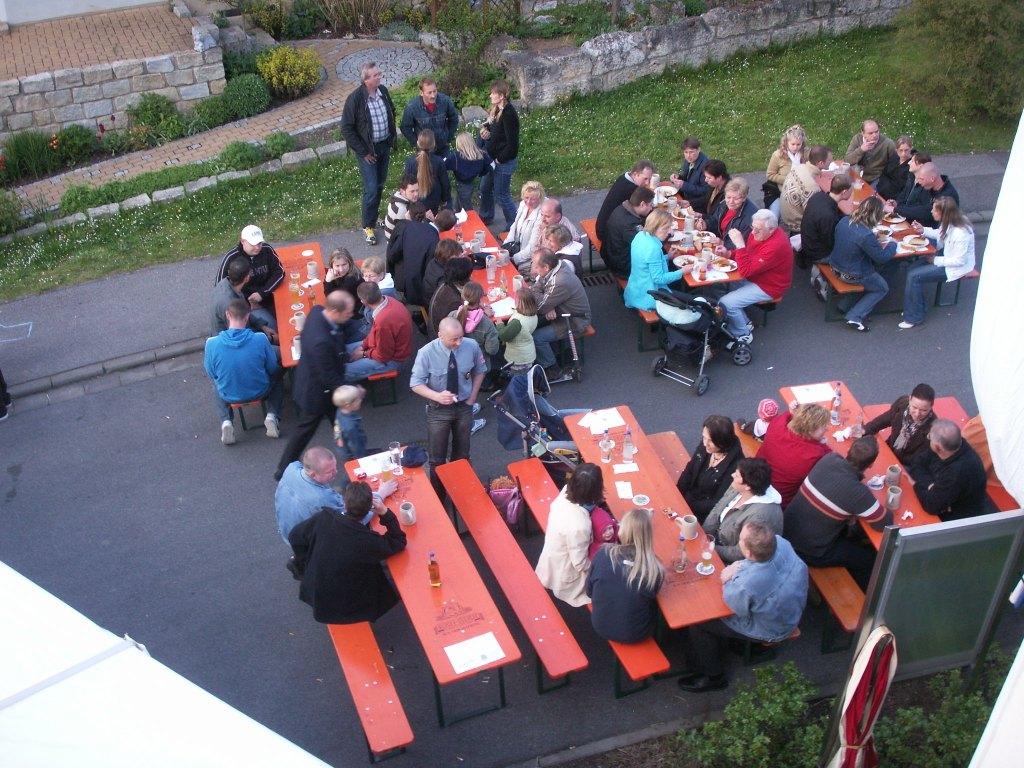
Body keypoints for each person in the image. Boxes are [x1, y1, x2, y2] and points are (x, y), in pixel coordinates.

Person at [677, 521, 807, 693]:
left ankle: (713, 676)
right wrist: (739, 568)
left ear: (748, 552)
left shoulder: (745, 585)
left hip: (772, 628)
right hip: (791, 612)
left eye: (740, 540)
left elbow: (734, 608)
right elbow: (756, 565)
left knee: (701, 621)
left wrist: (728, 578)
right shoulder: (782, 543)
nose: (738, 541)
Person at [288, 482, 407, 624]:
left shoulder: (323, 518)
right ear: (370, 508)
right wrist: (385, 512)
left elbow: (294, 535)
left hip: (314, 591)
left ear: (345, 502)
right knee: (396, 583)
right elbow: (398, 541)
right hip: (344, 608)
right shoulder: (366, 541)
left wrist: (305, 562)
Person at [785, 437, 888, 589]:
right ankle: (862, 595)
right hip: (811, 551)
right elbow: (883, 523)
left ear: (848, 451)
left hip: (787, 531)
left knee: (851, 532)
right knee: (869, 559)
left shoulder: (829, 459)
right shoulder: (859, 493)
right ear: (871, 464)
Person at [274, 291, 354, 480]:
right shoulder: (321, 341)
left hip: (317, 387)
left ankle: (352, 453)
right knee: (305, 431)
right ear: (335, 311)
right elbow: (329, 376)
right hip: (317, 393)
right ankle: (283, 469)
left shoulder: (317, 312)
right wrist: (352, 391)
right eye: (347, 313)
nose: (350, 315)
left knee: (340, 423)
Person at [410, 317, 488, 498]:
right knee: (437, 458)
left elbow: (480, 371)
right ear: (440, 336)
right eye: (454, 339)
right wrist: (437, 396)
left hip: (464, 406)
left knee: (462, 454)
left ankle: (459, 494)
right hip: (438, 410)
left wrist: (472, 398)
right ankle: (439, 497)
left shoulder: (471, 346)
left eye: (461, 337)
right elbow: (415, 383)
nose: (459, 342)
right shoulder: (426, 353)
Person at [203, 298, 283, 445]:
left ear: (228, 315)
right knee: (278, 379)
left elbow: (211, 373)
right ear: (247, 317)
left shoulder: (211, 344)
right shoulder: (260, 339)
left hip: (229, 395)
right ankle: (272, 415)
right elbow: (272, 368)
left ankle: (226, 421)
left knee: (216, 384)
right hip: (260, 391)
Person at [587, 508, 664, 643]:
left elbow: (589, 591)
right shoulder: (654, 569)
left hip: (600, 624)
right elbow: (652, 597)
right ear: (648, 536)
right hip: (636, 633)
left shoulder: (603, 554)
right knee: (658, 607)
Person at [341, 61, 397, 246]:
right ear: (366, 80)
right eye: (375, 75)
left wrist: (390, 138)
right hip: (368, 152)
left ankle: (373, 219)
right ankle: (367, 226)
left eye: (379, 74)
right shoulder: (355, 99)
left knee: (380, 185)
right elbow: (347, 128)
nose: (379, 77)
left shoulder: (383, 92)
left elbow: (391, 111)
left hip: (383, 146)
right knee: (371, 188)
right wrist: (363, 152)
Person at [717, 209, 793, 344]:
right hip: (758, 276)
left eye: (757, 230)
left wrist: (740, 245)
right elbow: (749, 254)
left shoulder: (775, 246)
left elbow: (745, 271)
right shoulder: (761, 234)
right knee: (720, 284)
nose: (753, 232)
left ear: (771, 230)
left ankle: (743, 334)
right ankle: (745, 322)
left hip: (769, 286)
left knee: (726, 303)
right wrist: (729, 254)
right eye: (753, 227)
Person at [900, 197, 976, 329]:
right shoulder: (950, 222)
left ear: (942, 213)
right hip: (946, 257)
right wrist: (923, 230)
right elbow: (940, 234)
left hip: (954, 267)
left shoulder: (960, 233)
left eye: (934, 210)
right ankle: (916, 307)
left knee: (914, 276)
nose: (931, 211)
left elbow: (959, 261)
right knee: (912, 268)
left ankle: (914, 317)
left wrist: (935, 260)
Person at [535, 463, 604, 607]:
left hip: (553, 558)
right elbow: (580, 564)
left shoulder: (566, 491)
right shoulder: (580, 525)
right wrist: (603, 566)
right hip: (565, 573)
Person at [828, 197, 898, 332]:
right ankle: (855, 316)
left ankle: (845, 304)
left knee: (874, 274)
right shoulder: (866, 235)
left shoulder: (844, 220)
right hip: (852, 274)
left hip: (834, 266)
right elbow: (882, 258)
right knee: (882, 288)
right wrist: (892, 244)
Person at [703, 458, 783, 563]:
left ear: (748, 486)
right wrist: (704, 535)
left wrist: (711, 548)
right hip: (714, 542)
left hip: (730, 559)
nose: (732, 475)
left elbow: (742, 553)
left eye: (737, 475)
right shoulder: (738, 486)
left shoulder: (761, 516)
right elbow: (717, 509)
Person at [529, 248, 592, 379]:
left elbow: (541, 306)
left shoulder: (560, 282)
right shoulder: (557, 265)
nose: (534, 269)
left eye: (536, 266)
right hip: (561, 311)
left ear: (546, 267)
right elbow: (538, 286)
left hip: (574, 321)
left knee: (536, 337)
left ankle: (551, 368)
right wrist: (549, 304)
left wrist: (548, 304)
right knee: (532, 325)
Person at [909, 420, 988, 521]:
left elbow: (931, 505)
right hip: (942, 494)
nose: (928, 439)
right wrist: (930, 485)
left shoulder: (957, 473)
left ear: (937, 447)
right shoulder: (953, 445)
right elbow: (917, 463)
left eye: (929, 437)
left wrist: (915, 485)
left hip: (959, 518)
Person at [756, 404, 831, 508]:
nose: (827, 429)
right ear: (810, 431)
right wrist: (823, 444)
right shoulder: (815, 454)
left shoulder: (777, 424)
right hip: (780, 501)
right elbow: (831, 459)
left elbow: (787, 415)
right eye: (823, 427)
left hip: (756, 479)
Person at [677, 415, 744, 523]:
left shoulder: (735, 467)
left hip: (702, 514)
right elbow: (690, 470)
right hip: (688, 498)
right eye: (704, 437)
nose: (705, 444)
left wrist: (687, 505)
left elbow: (717, 502)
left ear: (723, 442)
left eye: (710, 441)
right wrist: (677, 494)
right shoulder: (707, 446)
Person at [215, 225, 283, 329]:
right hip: (247, 307)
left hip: (269, 296)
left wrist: (262, 293)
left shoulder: (267, 250)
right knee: (273, 326)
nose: (257, 247)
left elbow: (279, 272)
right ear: (243, 241)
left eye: (259, 243)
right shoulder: (231, 258)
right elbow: (220, 287)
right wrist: (245, 304)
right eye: (253, 244)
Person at [344, 282, 413, 382]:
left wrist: (363, 354)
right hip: (382, 349)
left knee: (343, 371)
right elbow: (374, 333)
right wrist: (363, 346)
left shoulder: (383, 321)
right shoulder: (388, 300)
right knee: (345, 350)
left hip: (393, 361)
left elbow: (383, 356)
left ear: (363, 302)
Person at [623, 209, 683, 311]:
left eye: (670, 227)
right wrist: (682, 271)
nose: (670, 232)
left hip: (635, 289)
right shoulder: (653, 248)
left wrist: (667, 256)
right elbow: (659, 279)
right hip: (648, 295)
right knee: (684, 299)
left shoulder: (640, 235)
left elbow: (646, 262)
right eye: (666, 228)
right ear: (655, 227)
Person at [864, 383, 937, 465]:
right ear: (910, 399)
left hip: (907, 463)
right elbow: (884, 420)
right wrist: (864, 430)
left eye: (924, 410)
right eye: (914, 407)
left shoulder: (934, 429)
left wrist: (894, 461)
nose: (917, 414)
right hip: (891, 447)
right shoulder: (902, 404)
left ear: (931, 407)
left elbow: (918, 458)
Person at [479, 79, 520, 227]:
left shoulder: (509, 115)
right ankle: (486, 217)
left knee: (502, 195)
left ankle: (514, 226)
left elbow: (512, 145)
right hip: (492, 158)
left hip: (503, 161)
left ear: (501, 96)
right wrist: (485, 131)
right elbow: (493, 128)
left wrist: (499, 160)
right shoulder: (496, 109)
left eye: (493, 93)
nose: (490, 95)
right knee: (485, 188)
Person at [801, 174, 853, 274]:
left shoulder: (819, 196)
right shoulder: (828, 216)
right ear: (844, 192)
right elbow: (831, 243)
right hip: (818, 254)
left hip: (808, 243)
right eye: (851, 190)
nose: (852, 192)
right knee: (855, 252)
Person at [212, 255, 275, 337]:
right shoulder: (229, 303)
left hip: (239, 328)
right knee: (275, 339)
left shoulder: (226, 283)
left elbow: (242, 312)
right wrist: (269, 338)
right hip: (229, 340)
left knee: (270, 326)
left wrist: (262, 326)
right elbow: (238, 335)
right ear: (247, 278)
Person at [596, 159, 655, 244]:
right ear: (635, 174)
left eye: (649, 179)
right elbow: (640, 213)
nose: (647, 183)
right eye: (645, 179)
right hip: (607, 233)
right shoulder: (631, 189)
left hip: (602, 224)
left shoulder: (624, 178)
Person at [888, 162, 960, 229]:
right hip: (921, 228)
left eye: (921, 179)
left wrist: (895, 209)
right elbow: (916, 205)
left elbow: (926, 212)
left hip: (937, 233)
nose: (919, 182)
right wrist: (898, 205)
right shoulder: (928, 186)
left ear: (932, 179)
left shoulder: (948, 195)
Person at [603, 186, 655, 278]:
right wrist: (665, 235)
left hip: (611, 255)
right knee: (661, 260)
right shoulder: (630, 225)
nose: (651, 208)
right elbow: (646, 246)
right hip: (623, 266)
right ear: (642, 204)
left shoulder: (622, 208)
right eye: (651, 205)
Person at [779, 144, 832, 233]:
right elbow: (813, 215)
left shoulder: (799, 167)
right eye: (830, 160)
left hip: (785, 215)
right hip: (796, 225)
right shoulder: (812, 187)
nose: (832, 162)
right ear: (821, 163)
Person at [399, 76, 459, 154]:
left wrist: (448, 137)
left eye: (435, 91)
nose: (433, 95)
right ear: (421, 93)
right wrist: (417, 143)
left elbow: (454, 118)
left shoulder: (445, 101)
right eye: (429, 92)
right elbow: (405, 127)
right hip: (424, 149)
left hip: (443, 146)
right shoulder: (412, 107)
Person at [451, 282, 500, 370]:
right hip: (480, 365)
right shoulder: (487, 324)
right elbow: (492, 350)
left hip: (459, 363)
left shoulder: (452, 316)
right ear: (480, 299)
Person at [402, 129, 450, 215]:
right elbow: (445, 183)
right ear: (433, 144)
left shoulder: (410, 162)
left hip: (416, 200)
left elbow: (407, 182)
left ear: (418, 143)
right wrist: (445, 199)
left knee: (417, 220)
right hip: (434, 200)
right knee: (432, 220)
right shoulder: (439, 161)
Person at [504, 180, 546, 273]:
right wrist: (505, 246)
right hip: (518, 248)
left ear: (540, 199)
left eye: (533, 199)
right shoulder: (523, 204)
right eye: (526, 197)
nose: (528, 202)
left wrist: (513, 259)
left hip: (530, 259)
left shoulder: (542, 214)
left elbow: (533, 247)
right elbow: (514, 226)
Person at [702, 178, 757, 248]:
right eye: (728, 197)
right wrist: (706, 224)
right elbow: (715, 220)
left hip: (732, 251)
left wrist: (723, 243)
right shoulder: (724, 203)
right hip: (718, 243)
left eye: (736, 198)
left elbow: (744, 243)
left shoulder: (751, 217)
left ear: (744, 198)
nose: (731, 202)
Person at [765, 125, 808, 212]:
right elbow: (770, 175)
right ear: (786, 142)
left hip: (803, 190)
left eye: (798, 144)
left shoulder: (806, 153)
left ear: (802, 143)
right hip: (780, 192)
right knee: (774, 215)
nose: (795, 147)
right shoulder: (777, 155)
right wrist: (789, 180)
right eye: (793, 144)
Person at [444, 132, 492, 211]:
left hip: (462, 182)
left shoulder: (456, 156)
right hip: (472, 181)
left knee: (466, 208)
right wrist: (482, 173)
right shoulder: (481, 155)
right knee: (460, 203)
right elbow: (489, 166)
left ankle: (469, 218)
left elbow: (442, 165)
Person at [428, 257, 474, 336]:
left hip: (437, 328)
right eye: (469, 276)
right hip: (446, 337)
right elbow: (464, 324)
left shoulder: (446, 284)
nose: (471, 278)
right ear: (461, 280)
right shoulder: (454, 302)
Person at [496, 288, 539, 372]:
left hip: (518, 358)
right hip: (528, 353)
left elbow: (503, 336)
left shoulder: (517, 322)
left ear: (520, 303)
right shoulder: (533, 314)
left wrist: (500, 324)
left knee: (518, 376)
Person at [844, 119, 898, 185]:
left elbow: (896, 163)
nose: (875, 135)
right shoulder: (857, 139)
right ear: (863, 133)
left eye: (876, 132)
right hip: (858, 175)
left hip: (877, 177)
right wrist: (861, 149)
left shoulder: (887, 143)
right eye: (870, 133)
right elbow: (847, 160)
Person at [421, 238, 463, 313]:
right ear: (449, 258)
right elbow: (451, 296)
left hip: (428, 300)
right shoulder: (443, 279)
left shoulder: (434, 261)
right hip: (438, 310)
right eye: (457, 256)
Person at [670, 137, 711, 212]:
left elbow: (705, 191)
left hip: (696, 205)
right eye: (686, 152)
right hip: (686, 197)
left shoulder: (706, 167)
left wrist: (684, 185)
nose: (688, 155)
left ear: (698, 150)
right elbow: (688, 178)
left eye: (691, 152)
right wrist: (678, 177)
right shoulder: (689, 160)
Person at [332, 385, 368, 463]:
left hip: (342, 446)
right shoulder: (350, 426)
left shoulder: (340, 410)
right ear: (348, 405)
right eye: (358, 399)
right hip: (352, 454)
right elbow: (355, 445)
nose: (361, 400)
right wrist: (361, 458)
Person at [382, 173, 420, 244]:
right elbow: (405, 233)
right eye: (412, 191)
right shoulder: (401, 210)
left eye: (417, 190)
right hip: (396, 243)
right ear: (402, 191)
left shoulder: (398, 196)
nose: (416, 194)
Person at [876, 134, 915, 199]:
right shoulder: (894, 157)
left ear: (911, 148)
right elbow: (884, 173)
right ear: (896, 150)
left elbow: (906, 188)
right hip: (882, 189)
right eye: (901, 150)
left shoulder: (913, 164)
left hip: (896, 198)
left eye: (906, 150)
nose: (903, 154)